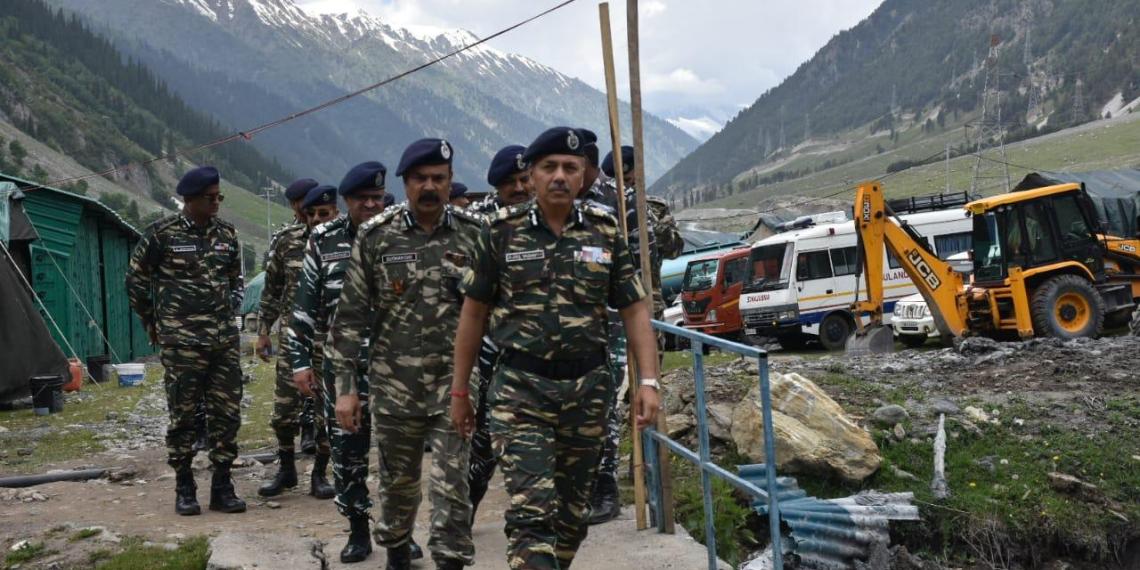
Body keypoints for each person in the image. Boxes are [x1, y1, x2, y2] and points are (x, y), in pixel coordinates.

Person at [450, 127, 661, 569]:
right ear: (530, 176)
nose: (560, 176)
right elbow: (472, 313)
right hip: (520, 393)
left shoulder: (604, 230)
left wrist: (648, 381)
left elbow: (635, 308)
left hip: (586, 393)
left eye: (570, 167)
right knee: (531, 517)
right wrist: (460, 392)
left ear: (584, 173)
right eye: (549, 168)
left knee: (571, 519)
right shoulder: (500, 232)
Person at [330, 139, 481, 570]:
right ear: (406, 182)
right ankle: (397, 554)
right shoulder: (378, 236)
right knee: (398, 487)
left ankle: (451, 561)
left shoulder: (474, 234)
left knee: (453, 485)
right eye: (420, 179)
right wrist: (346, 390)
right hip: (394, 387)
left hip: (455, 388)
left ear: (450, 182)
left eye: (438, 178)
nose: (429, 186)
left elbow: (496, 308)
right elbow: (350, 319)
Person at [289, 163, 424, 563]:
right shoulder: (323, 240)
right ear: (346, 202)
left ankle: (401, 533)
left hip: (399, 368)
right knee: (348, 456)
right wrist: (299, 363)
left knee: (401, 457)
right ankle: (358, 531)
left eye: (377, 197)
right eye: (362, 198)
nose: (371, 204)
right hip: (344, 370)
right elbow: (304, 306)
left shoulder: (407, 232)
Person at [125, 166, 246, 516]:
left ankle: (222, 486)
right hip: (182, 342)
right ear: (190, 199)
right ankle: (185, 486)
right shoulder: (162, 234)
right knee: (184, 414)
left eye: (219, 197)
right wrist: (153, 321)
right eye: (210, 198)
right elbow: (135, 280)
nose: (216, 204)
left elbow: (234, 277)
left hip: (223, 340)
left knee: (227, 413)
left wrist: (231, 306)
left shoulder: (227, 233)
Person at [464, 143, 534, 519]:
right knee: (485, 435)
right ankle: (470, 502)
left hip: (543, 349)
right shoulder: (479, 223)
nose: (521, 187)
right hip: (493, 345)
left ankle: (532, 518)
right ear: (497, 188)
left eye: (526, 179)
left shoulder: (556, 215)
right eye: (512, 183)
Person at [256, 185, 336, 501]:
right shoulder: (288, 242)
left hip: (331, 341)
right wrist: (263, 330)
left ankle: (320, 474)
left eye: (319, 211)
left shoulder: (344, 241)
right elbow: (272, 288)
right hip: (294, 340)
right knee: (283, 412)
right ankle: (287, 468)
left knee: (325, 413)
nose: (313, 216)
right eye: (306, 210)